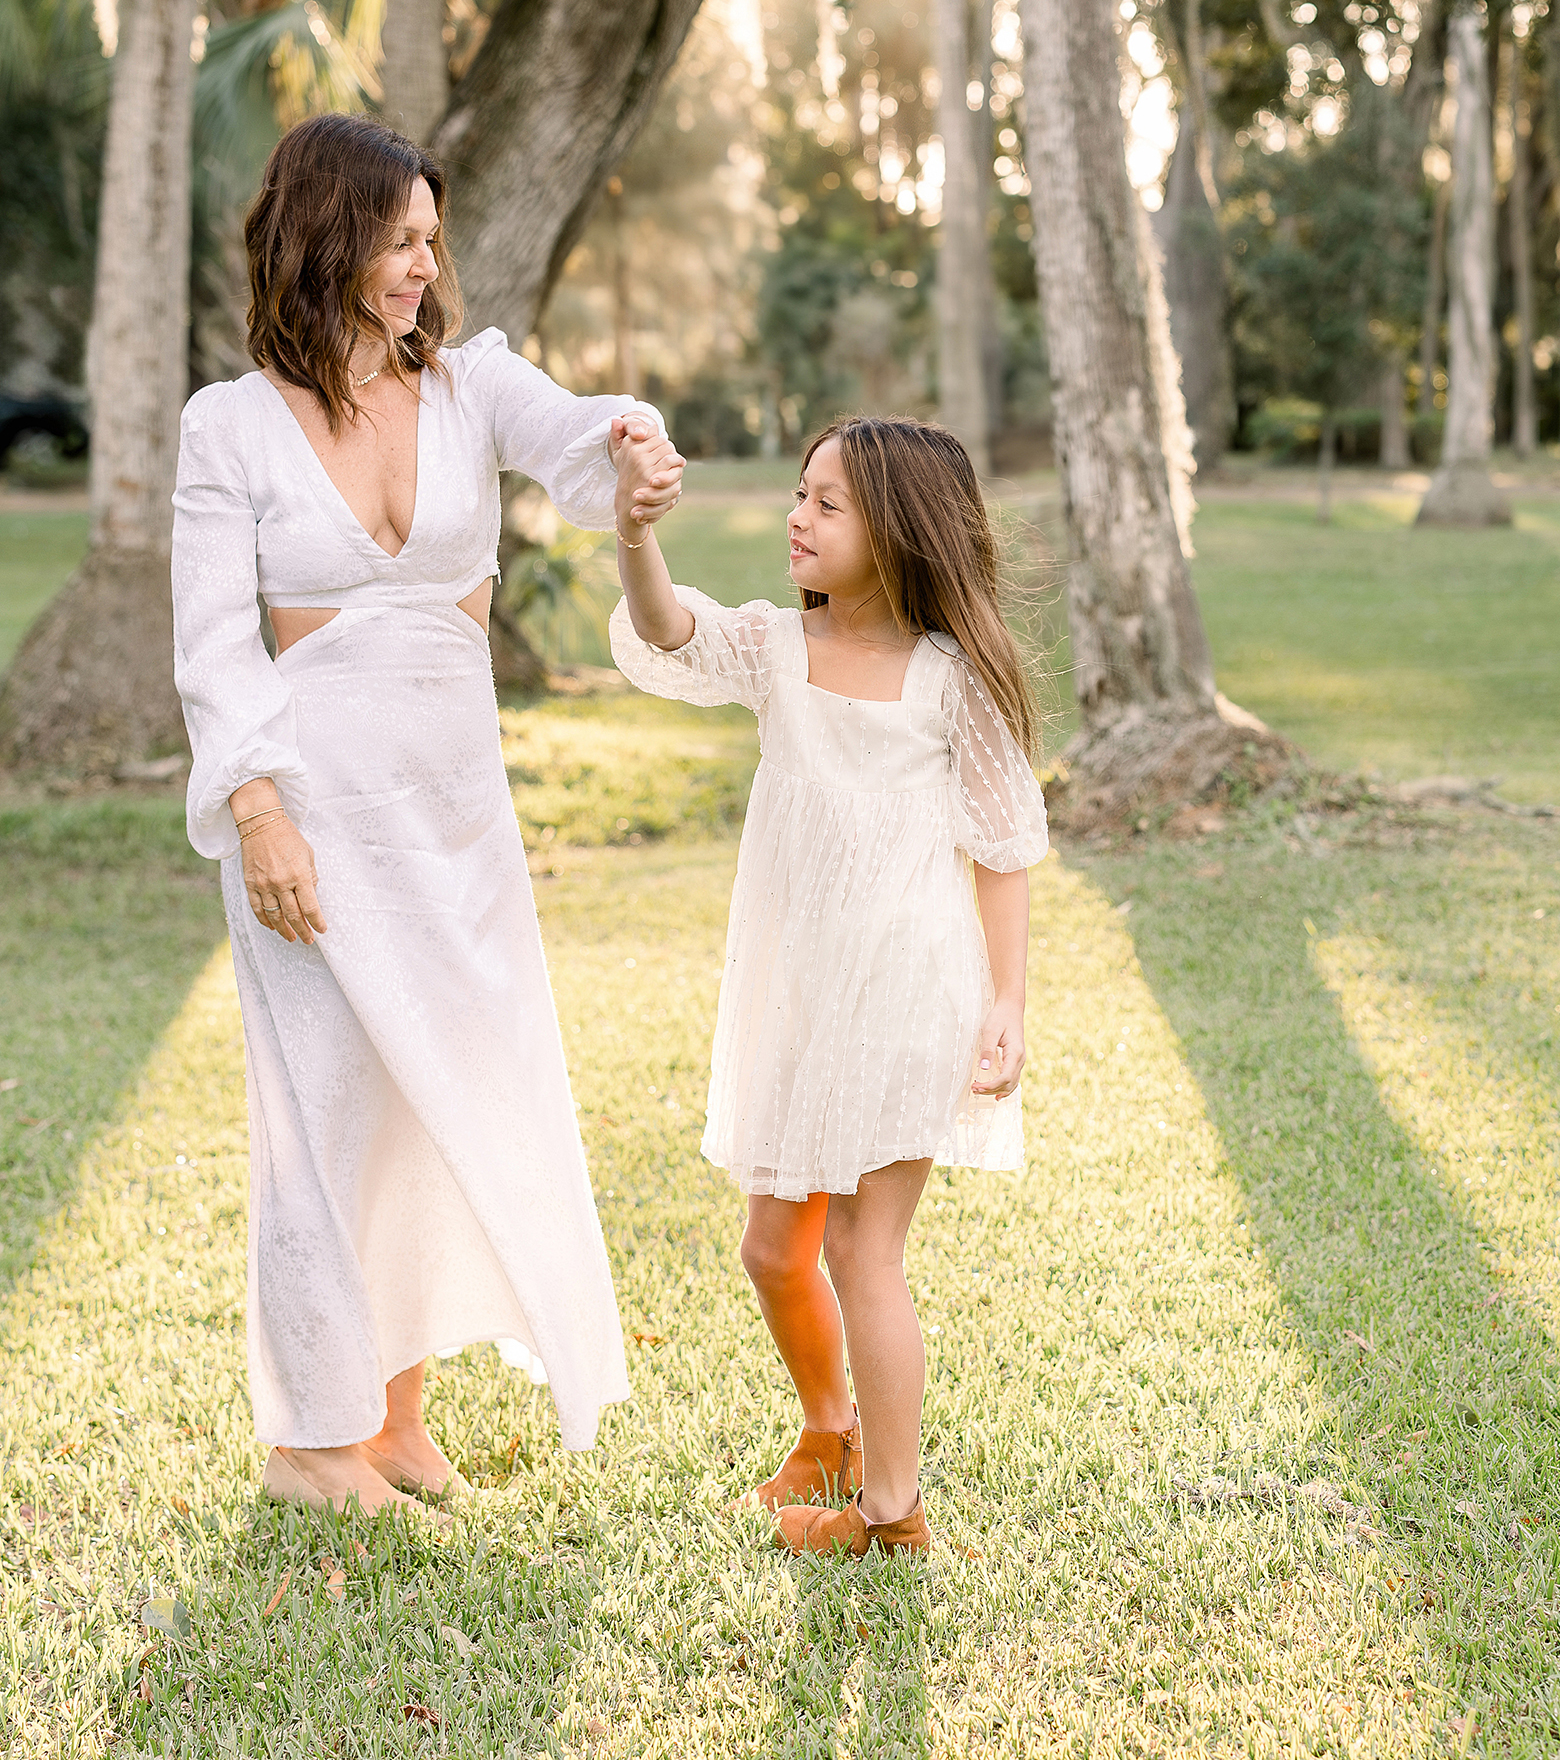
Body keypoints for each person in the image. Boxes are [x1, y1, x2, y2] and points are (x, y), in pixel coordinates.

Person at [170, 113, 683, 1519]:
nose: (422, 265)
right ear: (328, 235)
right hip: (314, 818)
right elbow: (214, 646)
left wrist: (631, 450)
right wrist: (257, 811)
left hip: (455, 820)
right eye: (401, 239)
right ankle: (309, 1444)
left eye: (431, 241)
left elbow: (580, 443)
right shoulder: (230, 427)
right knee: (327, 1109)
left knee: (440, 1102)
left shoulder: (469, 390)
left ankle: (394, 1417)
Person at [607, 415, 1048, 1556]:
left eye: (826, 503)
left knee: (863, 1249)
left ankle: (890, 1511)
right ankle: (828, 1424)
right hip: (802, 993)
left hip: (908, 990)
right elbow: (665, 626)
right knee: (772, 1246)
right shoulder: (769, 648)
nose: (796, 519)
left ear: (898, 529)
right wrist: (635, 533)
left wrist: (1005, 1004)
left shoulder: (952, 683)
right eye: (799, 495)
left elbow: (1002, 847)